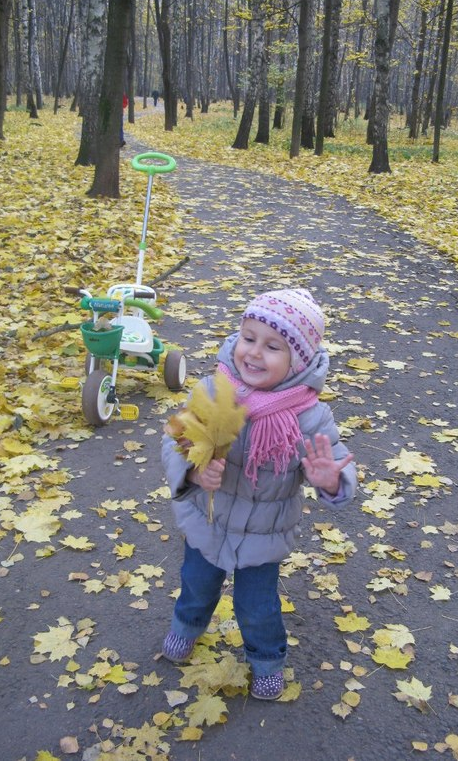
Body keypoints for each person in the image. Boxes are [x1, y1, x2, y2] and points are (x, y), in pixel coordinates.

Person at [161, 288, 357, 700]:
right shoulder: (215, 391)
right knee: (195, 585)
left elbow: (335, 459)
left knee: (258, 607)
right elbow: (176, 439)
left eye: (272, 347)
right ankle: (186, 627)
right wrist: (194, 474)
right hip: (208, 520)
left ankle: (267, 660)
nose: (253, 352)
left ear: (297, 361)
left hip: (264, 534)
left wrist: (329, 480)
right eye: (248, 338)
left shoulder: (309, 414)